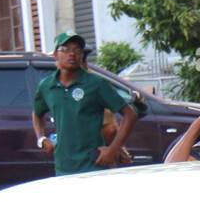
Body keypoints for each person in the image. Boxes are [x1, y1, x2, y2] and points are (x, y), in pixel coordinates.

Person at [32, 31, 137, 176]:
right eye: (66, 49)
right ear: (55, 54)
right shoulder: (46, 86)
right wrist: (41, 139)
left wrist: (113, 150)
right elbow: (37, 114)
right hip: (63, 167)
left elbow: (129, 115)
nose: (72, 54)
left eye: (77, 50)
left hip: (93, 166)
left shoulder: (96, 84)